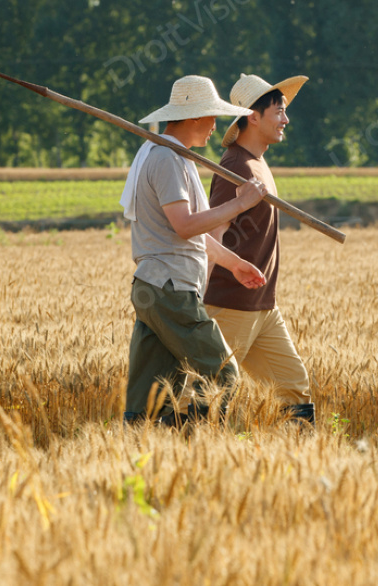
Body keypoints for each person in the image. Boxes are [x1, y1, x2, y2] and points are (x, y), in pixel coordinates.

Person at [119, 75, 269, 425]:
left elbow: (193, 234)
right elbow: (184, 225)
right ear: (193, 117)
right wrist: (239, 204)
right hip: (170, 288)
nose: (216, 127)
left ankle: (149, 450)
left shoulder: (175, 158)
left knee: (150, 397)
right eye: (212, 117)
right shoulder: (167, 160)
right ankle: (197, 442)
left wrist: (234, 264)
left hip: (156, 287)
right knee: (222, 375)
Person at [203, 73, 316, 425]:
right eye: (278, 111)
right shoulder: (235, 166)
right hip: (231, 304)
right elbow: (213, 232)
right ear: (253, 116)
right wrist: (200, 295)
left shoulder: (258, 162)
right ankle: (198, 458)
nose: (286, 119)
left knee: (293, 387)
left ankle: (298, 466)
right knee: (213, 392)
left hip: (263, 305)